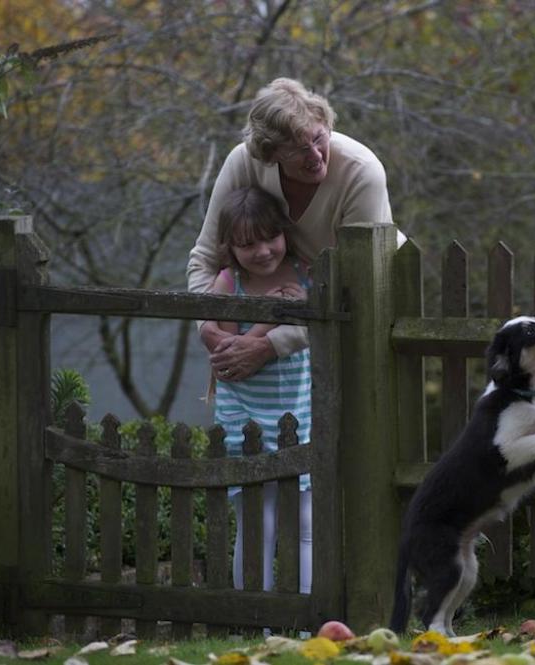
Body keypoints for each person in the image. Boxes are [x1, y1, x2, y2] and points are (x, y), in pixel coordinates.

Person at [188, 77, 402, 381]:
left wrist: (268, 346)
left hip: (359, 311)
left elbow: (359, 290)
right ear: (271, 154)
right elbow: (206, 256)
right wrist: (208, 329)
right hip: (290, 317)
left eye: (318, 138)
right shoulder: (244, 162)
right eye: (297, 150)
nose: (315, 156)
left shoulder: (361, 172)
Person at [207, 185, 313, 594]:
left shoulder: (305, 272)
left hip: (299, 416)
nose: (264, 251)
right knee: (257, 525)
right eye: (248, 244)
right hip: (244, 420)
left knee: (306, 525)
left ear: (284, 232)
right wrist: (273, 314)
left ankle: (306, 622)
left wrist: (295, 305)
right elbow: (233, 353)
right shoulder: (228, 282)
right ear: (230, 247)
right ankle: (257, 626)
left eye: (271, 238)